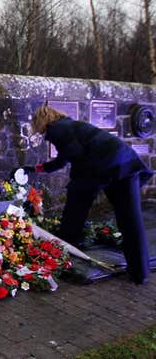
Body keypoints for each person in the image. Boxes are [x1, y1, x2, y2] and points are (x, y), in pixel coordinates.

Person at [23, 104, 153, 284]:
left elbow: (73, 156)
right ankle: (140, 272)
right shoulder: (70, 125)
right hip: (125, 163)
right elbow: (66, 158)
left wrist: (75, 184)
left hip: (102, 167)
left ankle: (64, 253)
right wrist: (36, 169)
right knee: (130, 219)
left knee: (74, 210)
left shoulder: (55, 129)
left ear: (42, 120)